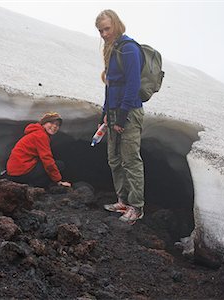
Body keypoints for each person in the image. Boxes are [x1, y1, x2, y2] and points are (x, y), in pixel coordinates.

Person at [95, 9, 145, 224]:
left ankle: (137, 207)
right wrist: (105, 113)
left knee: (130, 160)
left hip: (128, 111)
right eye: (100, 31)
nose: (104, 34)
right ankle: (122, 200)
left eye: (107, 28)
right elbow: (110, 86)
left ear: (116, 24)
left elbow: (133, 84)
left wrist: (123, 115)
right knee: (114, 159)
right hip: (114, 111)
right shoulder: (111, 49)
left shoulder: (129, 49)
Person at [6, 112, 71, 188]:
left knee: (48, 165)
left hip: (14, 171)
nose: (54, 126)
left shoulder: (37, 133)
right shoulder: (41, 136)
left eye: (57, 124)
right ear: (44, 123)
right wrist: (58, 181)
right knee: (59, 165)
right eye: (51, 122)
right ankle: (35, 186)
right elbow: (47, 159)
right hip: (21, 172)